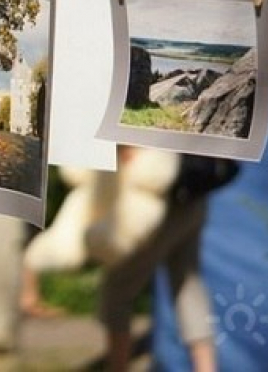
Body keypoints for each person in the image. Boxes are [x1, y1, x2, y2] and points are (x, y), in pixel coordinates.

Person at [91, 145, 237, 372]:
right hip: (193, 194)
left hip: (159, 199)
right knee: (188, 285)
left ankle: (117, 366)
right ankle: (206, 367)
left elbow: (131, 149)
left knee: (118, 289)